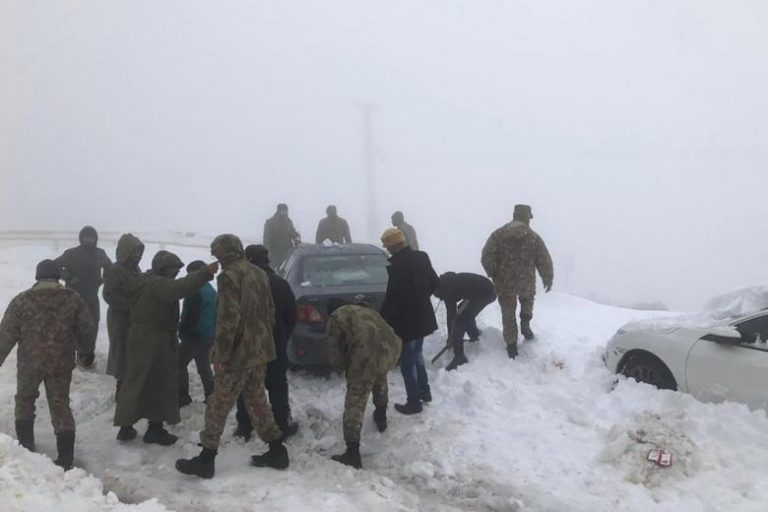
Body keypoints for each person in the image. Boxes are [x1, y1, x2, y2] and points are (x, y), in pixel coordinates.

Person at [176, 234, 289, 479]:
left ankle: (206, 459)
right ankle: (277, 450)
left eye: (217, 254)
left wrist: (221, 353)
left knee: (218, 403)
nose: (217, 259)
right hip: (259, 350)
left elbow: (228, 319)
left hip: (238, 353)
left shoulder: (229, 277)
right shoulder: (259, 273)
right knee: (257, 400)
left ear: (224, 253)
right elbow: (270, 311)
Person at [114, 251, 217, 445]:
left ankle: (125, 427)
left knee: (136, 380)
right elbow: (181, 287)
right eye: (174, 270)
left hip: (140, 337)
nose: (176, 273)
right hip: (155, 339)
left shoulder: (144, 280)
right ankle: (155, 429)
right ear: (164, 269)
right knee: (161, 381)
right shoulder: (158, 284)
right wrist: (204, 273)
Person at [0, 260, 94, 470]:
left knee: (24, 400)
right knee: (60, 404)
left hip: (29, 363)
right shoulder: (73, 298)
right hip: (60, 362)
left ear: (37, 277)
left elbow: (6, 333)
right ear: (57, 277)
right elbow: (87, 328)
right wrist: (85, 350)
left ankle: (25, 449)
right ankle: (65, 459)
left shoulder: (22, 300)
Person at [325, 295, 401, 469]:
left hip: (365, 355)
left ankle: (352, 453)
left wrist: (344, 367)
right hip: (390, 350)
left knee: (355, 401)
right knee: (380, 378)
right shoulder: (368, 311)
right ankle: (381, 416)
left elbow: (333, 349)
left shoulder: (336, 316)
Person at [234, 245, 298, 440]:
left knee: (246, 384)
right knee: (277, 384)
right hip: (276, 343)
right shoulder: (281, 283)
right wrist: (282, 336)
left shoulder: (242, 284)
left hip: (248, 345)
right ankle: (282, 424)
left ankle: (245, 426)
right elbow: (292, 315)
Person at [481, 204, 553, 359]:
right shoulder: (534, 238)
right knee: (527, 300)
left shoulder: (498, 234)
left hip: (504, 282)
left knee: (508, 313)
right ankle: (525, 323)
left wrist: (493, 272)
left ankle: (511, 345)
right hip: (526, 281)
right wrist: (547, 277)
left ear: (514, 215)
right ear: (528, 218)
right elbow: (543, 260)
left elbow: (486, 255)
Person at [379, 228, 439, 415]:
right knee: (417, 354)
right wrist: (421, 299)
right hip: (423, 316)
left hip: (407, 321)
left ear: (391, 245)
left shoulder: (397, 266)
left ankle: (414, 402)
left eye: (386, 245)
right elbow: (434, 283)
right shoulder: (422, 257)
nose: (386, 249)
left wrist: (383, 319)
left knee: (407, 361)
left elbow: (393, 298)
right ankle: (424, 392)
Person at [55, 225, 112, 368]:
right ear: (81, 238)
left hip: (92, 296)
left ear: (95, 239)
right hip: (74, 296)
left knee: (93, 323)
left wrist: (103, 279)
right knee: (74, 324)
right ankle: (73, 351)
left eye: (91, 237)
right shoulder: (71, 254)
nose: (89, 240)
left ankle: (87, 352)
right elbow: (55, 266)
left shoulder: (100, 253)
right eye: (86, 237)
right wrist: (68, 277)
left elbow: (110, 267)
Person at [103, 233, 144, 397]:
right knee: (121, 351)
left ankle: (131, 384)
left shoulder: (136, 269)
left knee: (133, 350)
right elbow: (109, 295)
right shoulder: (115, 270)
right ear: (125, 251)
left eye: (139, 253)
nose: (137, 256)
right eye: (134, 252)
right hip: (119, 318)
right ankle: (121, 388)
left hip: (134, 318)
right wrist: (130, 305)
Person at [434, 272, 497, 370]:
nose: (440, 299)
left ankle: (459, 356)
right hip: (481, 291)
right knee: (463, 312)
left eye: (437, 296)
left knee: (461, 318)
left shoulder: (446, 290)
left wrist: (451, 337)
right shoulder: (445, 282)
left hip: (486, 293)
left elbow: (451, 315)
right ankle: (475, 336)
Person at [178, 260, 218, 407]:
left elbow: (190, 316)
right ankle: (211, 395)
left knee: (178, 363)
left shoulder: (195, 291)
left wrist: (183, 331)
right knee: (203, 365)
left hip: (195, 335)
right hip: (209, 335)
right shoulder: (211, 290)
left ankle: (182, 396)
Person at [263, 203, 301, 268]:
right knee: (275, 269)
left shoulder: (288, 221)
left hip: (287, 250)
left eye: (285, 210)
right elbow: (267, 238)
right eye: (282, 210)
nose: (284, 212)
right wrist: (266, 252)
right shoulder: (270, 222)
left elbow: (291, 232)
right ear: (278, 211)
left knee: (286, 269)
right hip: (274, 251)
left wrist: (296, 237)